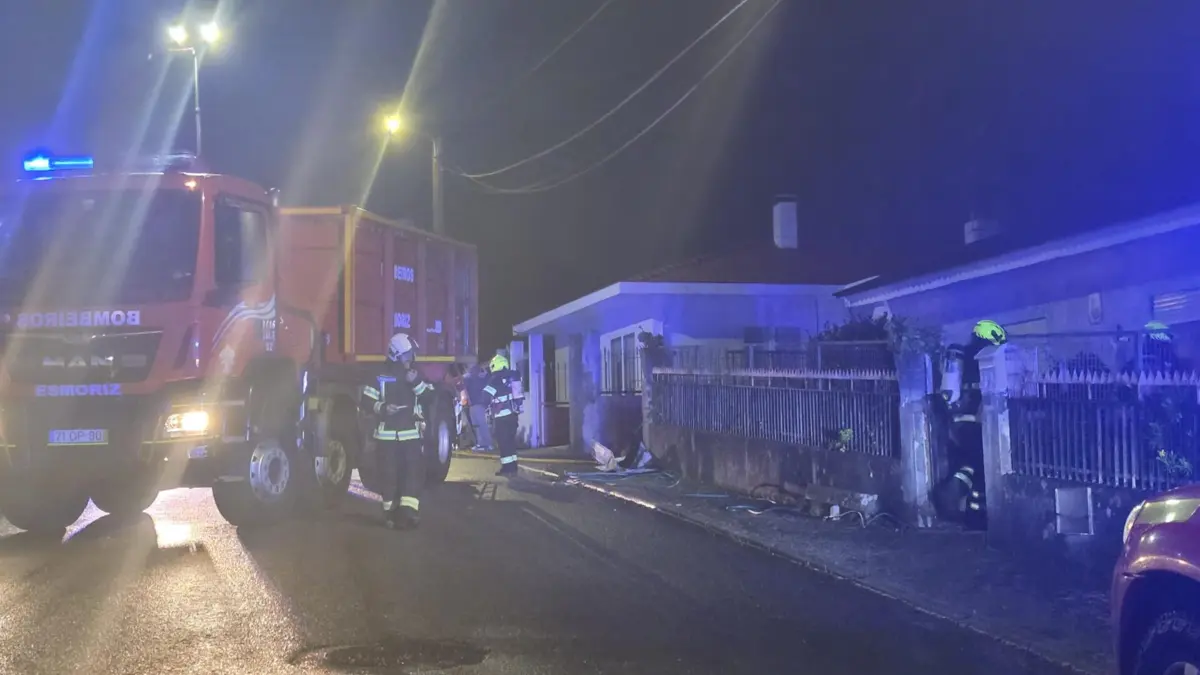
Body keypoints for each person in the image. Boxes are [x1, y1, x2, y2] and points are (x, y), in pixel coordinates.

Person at [359, 332, 434, 530]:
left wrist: (416, 382)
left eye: (411, 355)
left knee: (412, 474)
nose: (411, 359)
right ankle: (390, 514)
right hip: (386, 436)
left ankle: (408, 514)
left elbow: (429, 398)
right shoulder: (378, 375)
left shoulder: (416, 374)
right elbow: (366, 400)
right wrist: (383, 408)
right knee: (388, 475)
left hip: (411, 434)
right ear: (395, 354)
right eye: (407, 355)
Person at [479, 351, 523, 476]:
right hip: (513, 415)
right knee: (510, 441)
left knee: (503, 443)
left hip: (501, 417)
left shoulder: (495, 379)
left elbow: (485, 397)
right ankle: (513, 467)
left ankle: (507, 469)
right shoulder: (512, 376)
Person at [464, 362, 493, 451]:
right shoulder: (483, 377)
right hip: (475, 404)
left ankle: (487, 444)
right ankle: (481, 444)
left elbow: (464, 380)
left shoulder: (471, 377)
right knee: (477, 425)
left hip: (477, 404)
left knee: (480, 424)